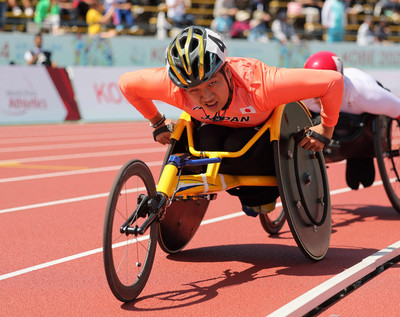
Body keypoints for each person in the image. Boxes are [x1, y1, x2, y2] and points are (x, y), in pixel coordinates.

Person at [118, 26, 343, 217]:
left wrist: (326, 127)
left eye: (212, 83)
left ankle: (257, 195)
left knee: (236, 147)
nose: (206, 97)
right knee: (206, 138)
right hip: (214, 137)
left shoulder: (262, 85)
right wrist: (156, 122)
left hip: (261, 140)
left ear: (226, 70)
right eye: (194, 90)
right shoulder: (174, 88)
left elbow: (332, 82)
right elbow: (127, 84)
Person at [303, 51, 400, 189]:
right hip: (333, 125)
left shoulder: (367, 94)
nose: (318, 96)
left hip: (362, 129)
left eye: (324, 88)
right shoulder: (302, 94)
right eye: (314, 87)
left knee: (368, 124)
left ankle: (360, 153)